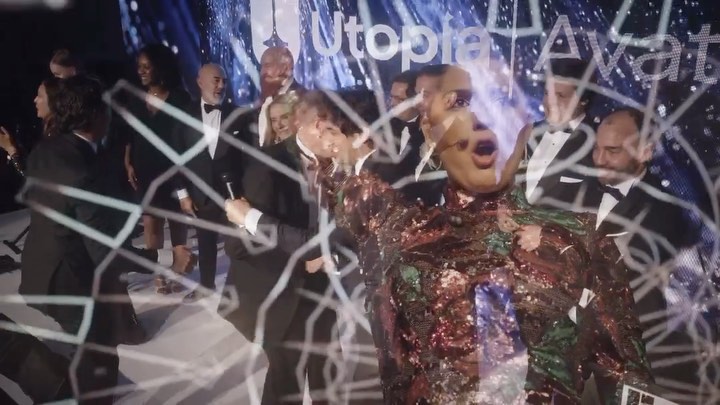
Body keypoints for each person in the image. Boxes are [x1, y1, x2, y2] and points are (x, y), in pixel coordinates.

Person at [229, 64, 655, 403]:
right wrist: (324, 148)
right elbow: (345, 191)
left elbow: (625, 370)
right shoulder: (409, 224)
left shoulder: (578, 237)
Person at [19, 75, 193, 404]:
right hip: (71, 284)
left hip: (42, 271)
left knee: (85, 356)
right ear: (96, 114)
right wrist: (165, 260)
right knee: (99, 367)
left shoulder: (46, 150)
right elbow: (106, 254)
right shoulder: (81, 172)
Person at [556, 108, 705, 401]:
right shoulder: (577, 193)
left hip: (635, 357)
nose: (599, 160)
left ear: (645, 151)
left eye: (612, 151)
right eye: (596, 149)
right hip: (576, 352)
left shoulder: (665, 211)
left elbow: (632, 282)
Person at [223, 89, 341, 404]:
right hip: (282, 292)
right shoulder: (267, 165)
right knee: (286, 381)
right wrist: (301, 261)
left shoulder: (338, 162)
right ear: (317, 124)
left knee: (327, 371)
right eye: (337, 129)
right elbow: (238, 246)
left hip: (324, 285)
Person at [172, 63, 250, 302]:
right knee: (205, 242)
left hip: (233, 195)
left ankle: (244, 290)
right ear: (200, 82)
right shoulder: (184, 116)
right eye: (216, 80)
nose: (221, 85)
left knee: (240, 244)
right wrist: (183, 194)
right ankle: (206, 285)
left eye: (224, 81)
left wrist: (246, 193)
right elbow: (176, 156)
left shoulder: (239, 115)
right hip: (201, 192)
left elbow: (248, 158)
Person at [122, 44, 191, 294]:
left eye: (146, 67)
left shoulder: (180, 98)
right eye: (139, 67)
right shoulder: (135, 98)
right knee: (151, 223)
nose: (141, 71)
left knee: (176, 221)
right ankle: (160, 270)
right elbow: (129, 134)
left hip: (174, 170)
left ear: (160, 68)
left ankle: (180, 267)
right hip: (145, 169)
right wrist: (128, 162)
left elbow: (189, 136)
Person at [524, 59, 597, 207]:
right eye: (547, 93)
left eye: (561, 96)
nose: (550, 102)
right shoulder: (530, 132)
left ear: (583, 99)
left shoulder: (598, 144)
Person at [1, 77, 63, 175]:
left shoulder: (58, 139)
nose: (35, 100)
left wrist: (11, 150)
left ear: (54, 101)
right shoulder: (46, 132)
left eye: (40, 96)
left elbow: (32, 177)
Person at [253, 46, 306, 147]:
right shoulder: (262, 103)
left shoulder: (304, 99)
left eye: (267, 65)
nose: (262, 72)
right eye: (261, 67)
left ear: (285, 67)